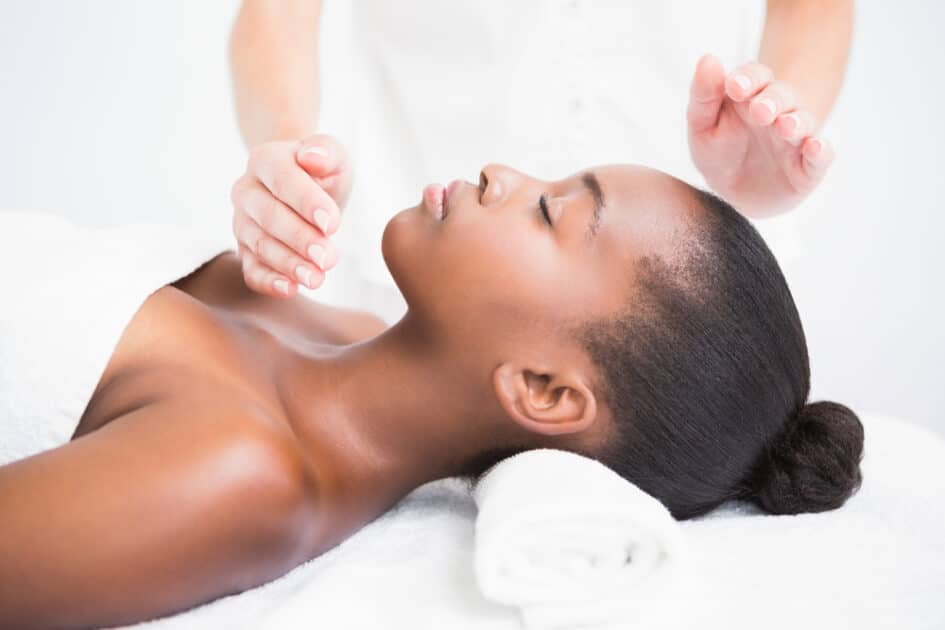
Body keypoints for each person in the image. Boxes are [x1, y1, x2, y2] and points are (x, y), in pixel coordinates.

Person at [0, 161, 864, 628]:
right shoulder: (331, 323)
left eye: (551, 213)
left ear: (543, 390)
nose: (502, 174)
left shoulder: (243, 474)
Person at [228, 0, 852, 320]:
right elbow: (278, 11)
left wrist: (781, 120)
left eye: (554, 211)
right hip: (418, 277)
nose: (493, 175)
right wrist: (291, 155)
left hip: (707, 281)